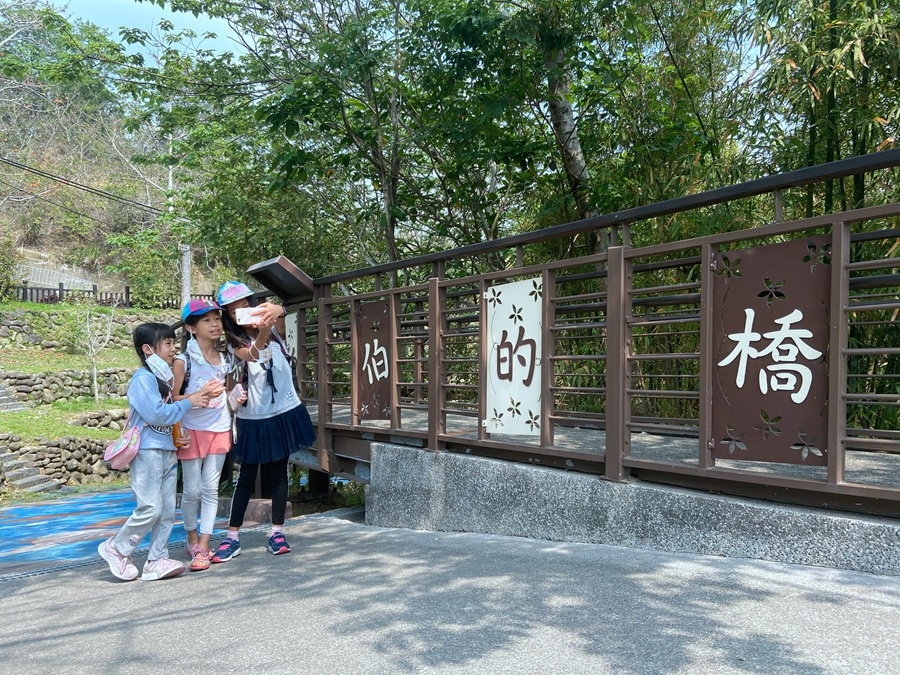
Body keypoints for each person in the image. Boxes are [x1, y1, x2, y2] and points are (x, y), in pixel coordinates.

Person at [98, 322, 223, 582]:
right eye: (167, 344)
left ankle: (157, 559)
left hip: (166, 450)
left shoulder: (161, 378)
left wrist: (178, 436)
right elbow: (156, 413)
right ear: (148, 349)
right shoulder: (142, 379)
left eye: (173, 343)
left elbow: (167, 417)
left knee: (166, 510)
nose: (172, 349)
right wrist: (190, 401)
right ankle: (117, 547)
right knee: (150, 508)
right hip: (147, 451)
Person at [211, 281, 316, 562]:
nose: (242, 313)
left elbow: (301, 301)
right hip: (254, 418)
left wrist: (277, 310)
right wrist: (263, 331)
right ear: (228, 318)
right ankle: (232, 536)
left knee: (279, 476)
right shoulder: (236, 345)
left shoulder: (276, 330)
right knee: (245, 478)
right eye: (235, 312)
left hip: (283, 411)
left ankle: (277, 532)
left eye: (245, 306)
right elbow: (253, 355)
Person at [172, 299, 235, 572]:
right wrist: (199, 396)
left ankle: (205, 544)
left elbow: (228, 394)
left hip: (220, 427)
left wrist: (236, 397)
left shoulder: (226, 359)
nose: (215, 325)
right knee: (192, 490)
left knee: (211, 489)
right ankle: (191, 537)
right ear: (191, 328)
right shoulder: (183, 360)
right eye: (206, 320)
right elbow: (172, 399)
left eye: (217, 319)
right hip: (190, 430)